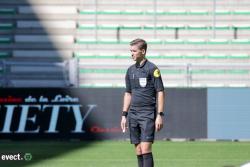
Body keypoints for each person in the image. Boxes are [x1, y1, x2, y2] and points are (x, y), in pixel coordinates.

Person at [120, 38, 165, 167]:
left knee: (146, 149)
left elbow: (160, 92)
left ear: (143, 51)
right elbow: (128, 93)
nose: (131, 53)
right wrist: (124, 115)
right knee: (138, 150)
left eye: (134, 51)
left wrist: (160, 115)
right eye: (131, 51)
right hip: (133, 114)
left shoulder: (152, 69)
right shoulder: (130, 70)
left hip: (147, 114)